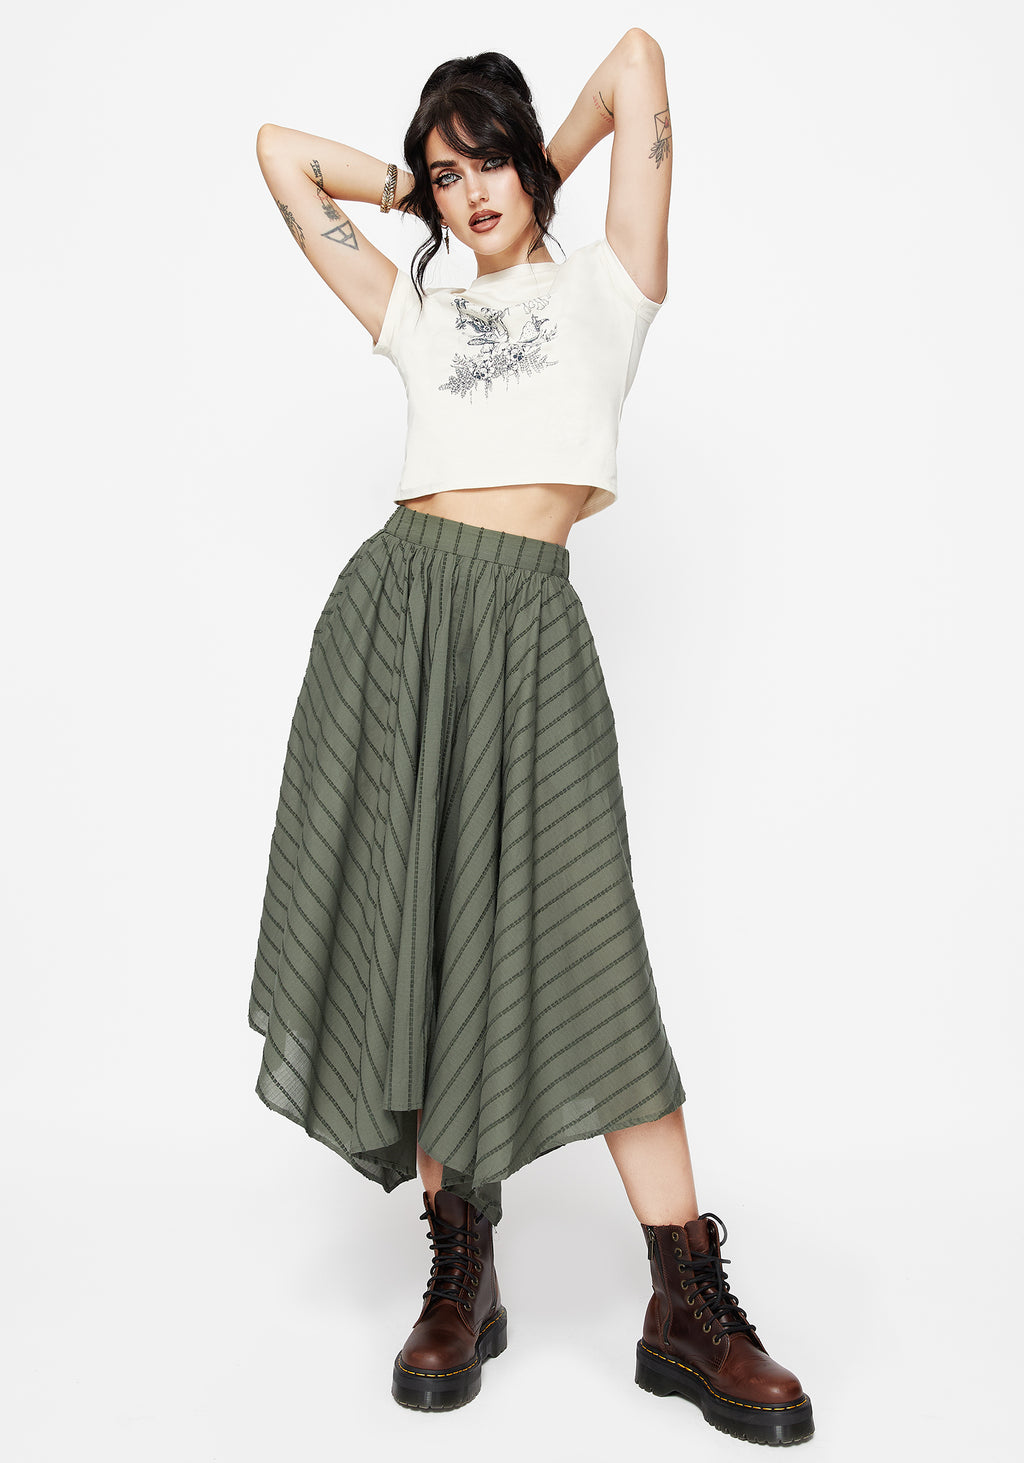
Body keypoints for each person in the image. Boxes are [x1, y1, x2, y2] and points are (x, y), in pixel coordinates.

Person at [248, 29, 813, 1445]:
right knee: (432, 937)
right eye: (449, 176)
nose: (471, 190)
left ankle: (686, 1304)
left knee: (593, 943)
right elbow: (277, 155)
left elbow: (637, 62)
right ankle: (463, 1274)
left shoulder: (614, 286)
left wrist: (531, 166)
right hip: (399, 625)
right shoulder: (415, 308)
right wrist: (416, 187)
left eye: (486, 160)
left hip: (527, 631)